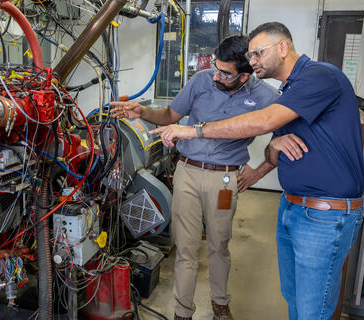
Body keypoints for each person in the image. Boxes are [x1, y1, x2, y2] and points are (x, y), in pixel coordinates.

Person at [150, 22, 364, 320]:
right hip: (293, 206)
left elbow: (262, 123)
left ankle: (219, 303)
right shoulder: (290, 89)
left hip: (324, 214)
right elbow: (275, 146)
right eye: (250, 55)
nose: (253, 60)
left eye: (257, 53)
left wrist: (192, 131)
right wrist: (266, 161)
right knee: (297, 300)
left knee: (312, 307)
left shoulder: (318, 77)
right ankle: (182, 311)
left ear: (282, 47)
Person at [110, 35, 278, 320]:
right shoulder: (202, 80)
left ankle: (220, 304)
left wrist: (261, 169)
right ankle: (182, 311)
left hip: (223, 180)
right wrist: (144, 112)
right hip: (187, 172)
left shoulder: (265, 97)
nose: (216, 75)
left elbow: (287, 129)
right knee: (186, 247)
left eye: (225, 72)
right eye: (216, 66)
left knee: (219, 245)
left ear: (245, 75)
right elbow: (170, 115)